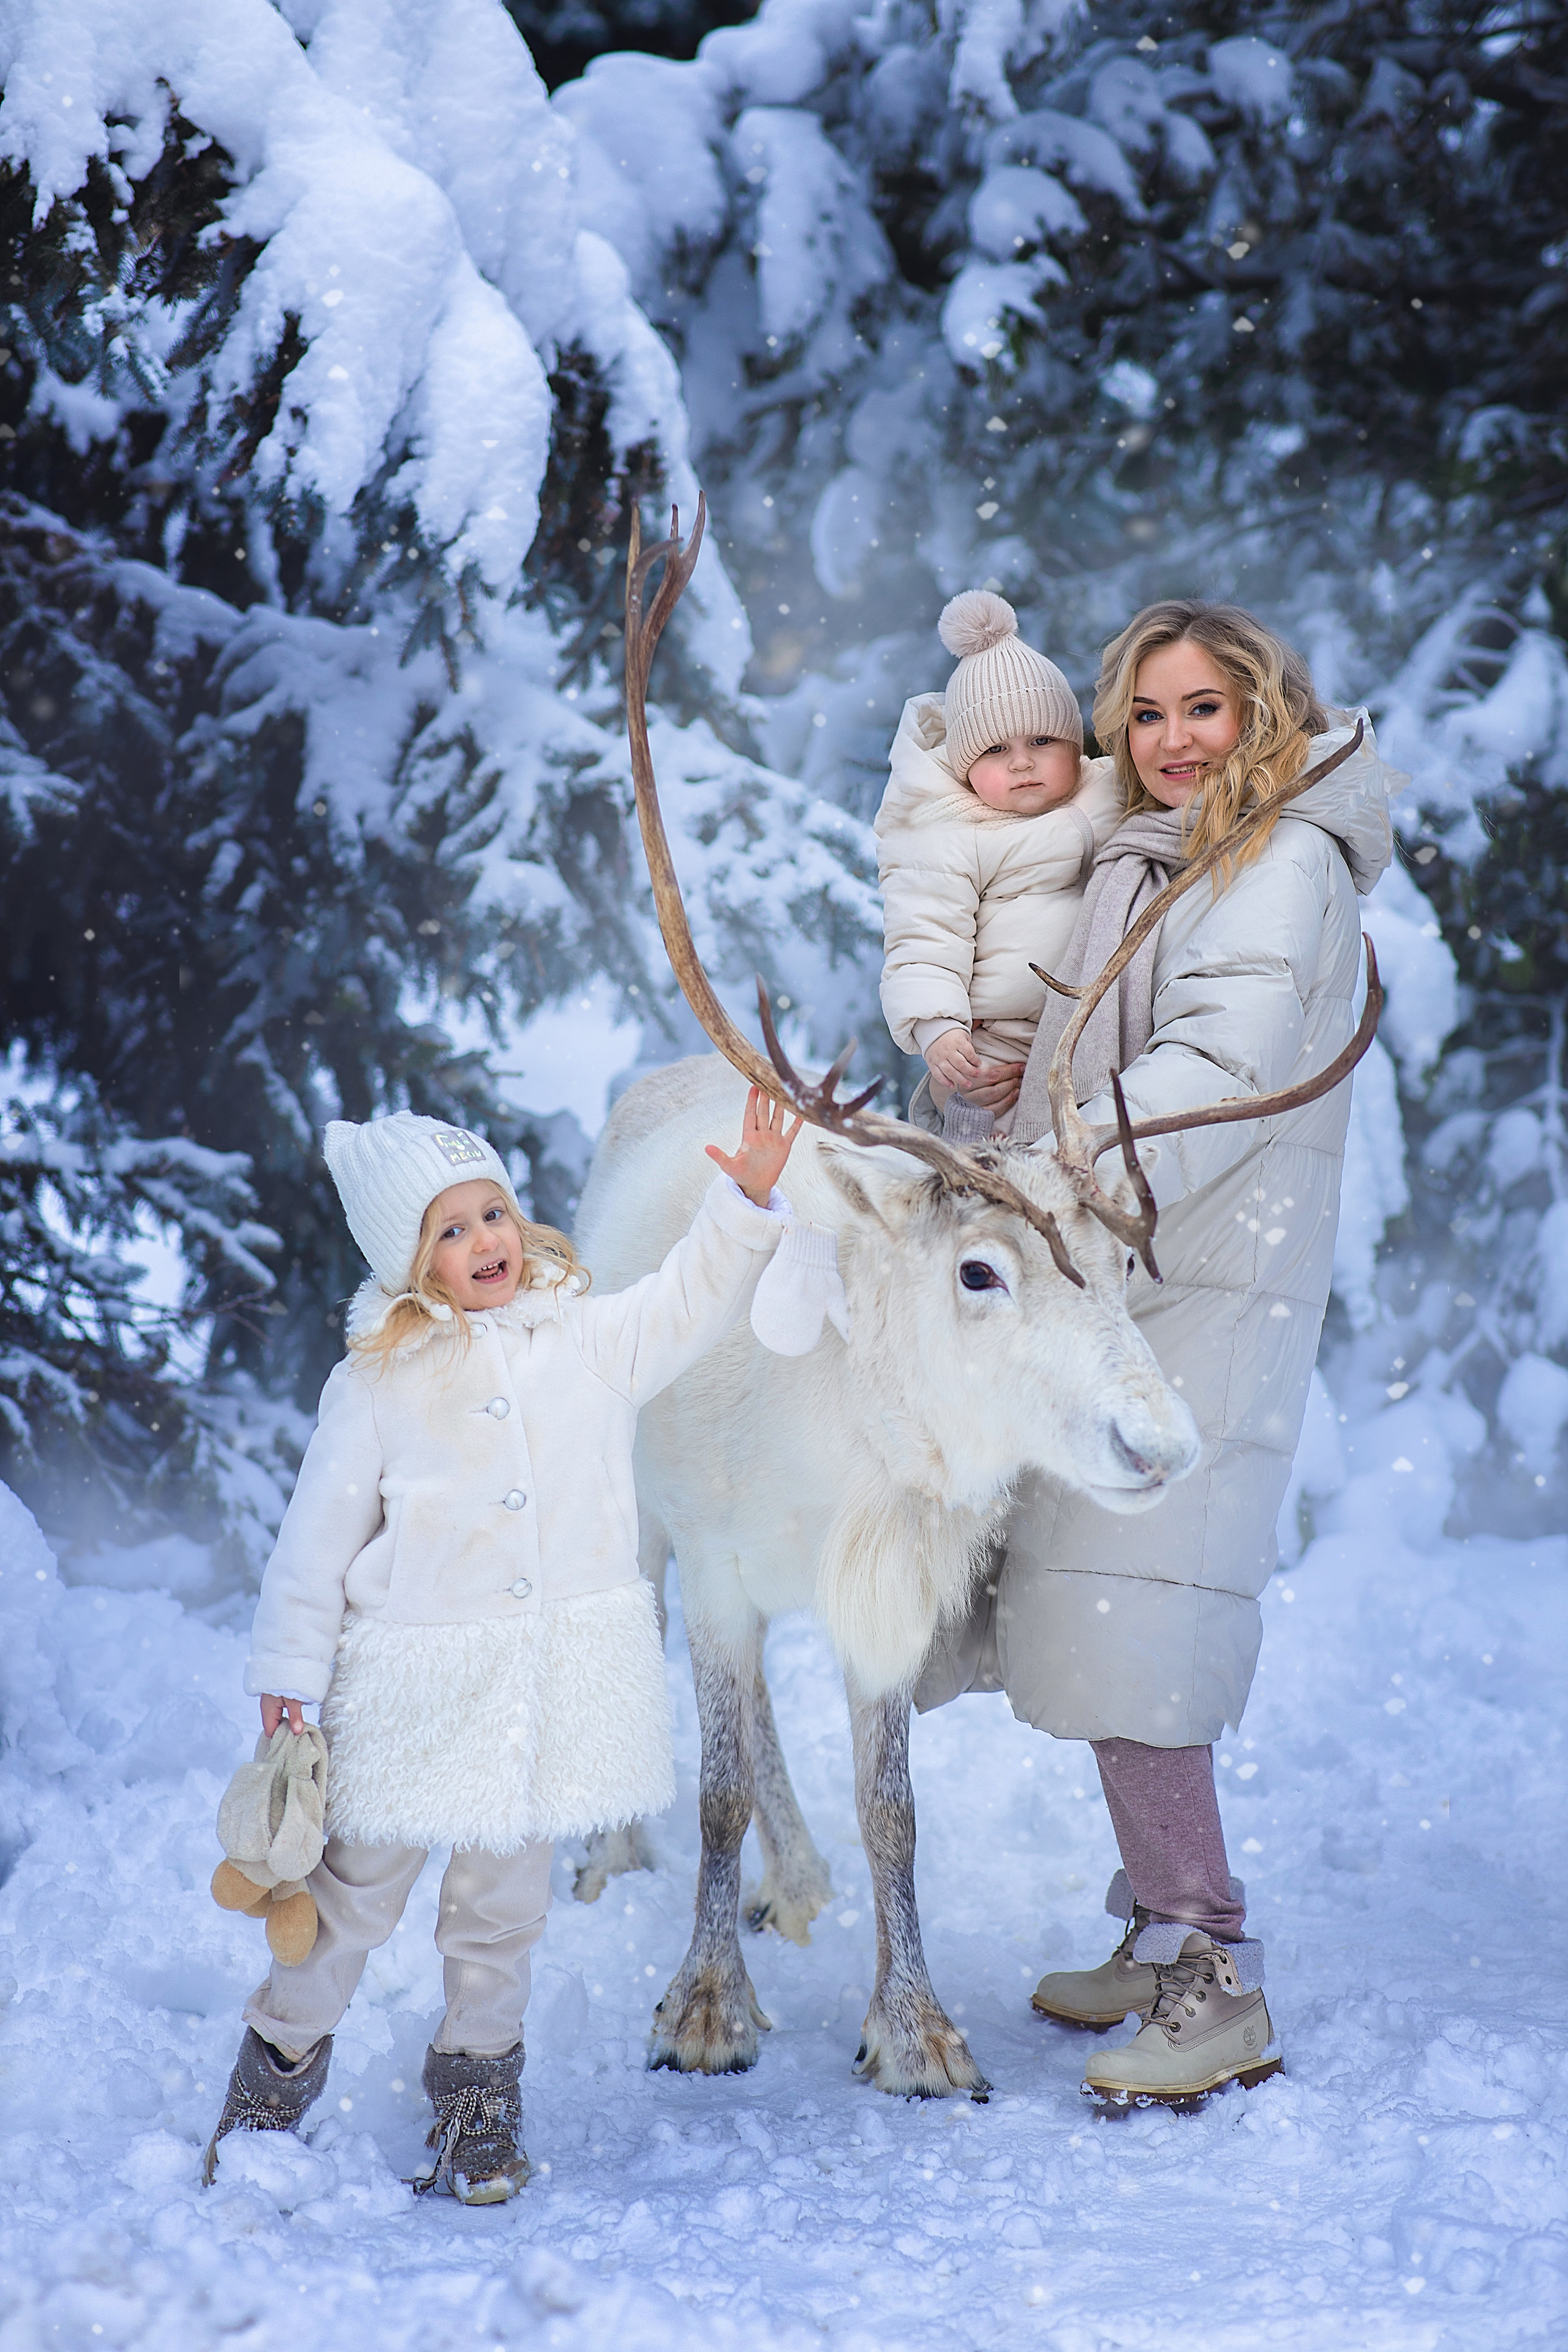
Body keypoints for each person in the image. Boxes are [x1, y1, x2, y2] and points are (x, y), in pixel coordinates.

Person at [916, 600, 1398, 2104]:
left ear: (1266, 711)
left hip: (1191, 1282)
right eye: (1144, 715)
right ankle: (1156, 1917)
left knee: (1140, 1622)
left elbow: (1215, 1071)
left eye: (1205, 709)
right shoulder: (1155, 854)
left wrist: (1045, 1178)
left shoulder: (1277, 860)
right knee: (1096, 1604)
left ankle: (1211, 1971)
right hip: (1127, 1278)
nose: (1173, 741)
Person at [203, 1090, 809, 2199]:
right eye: (451, 1228)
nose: (485, 1240)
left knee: (501, 1918)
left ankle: (477, 2099)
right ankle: (276, 2068)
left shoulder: (587, 1339)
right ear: (411, 1263)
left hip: (543, 1697)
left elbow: (688, 1302)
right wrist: (288, 1680)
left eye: (494, 1212)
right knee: (349, 1903)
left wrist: (744, 1201)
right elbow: (312, 1549)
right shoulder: (377, 1385)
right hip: (414, 1699)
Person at [876, 589, 1121, 1138]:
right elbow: (924, 936)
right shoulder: (946, 830)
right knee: (989, 1185)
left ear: (1073, 742)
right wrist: (938, 1027)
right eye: (994, 750)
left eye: (1042, 739)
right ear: (965, 766)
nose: (1022, 762)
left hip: (1097, 1029)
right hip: (998, 1047)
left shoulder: (1109, 789)